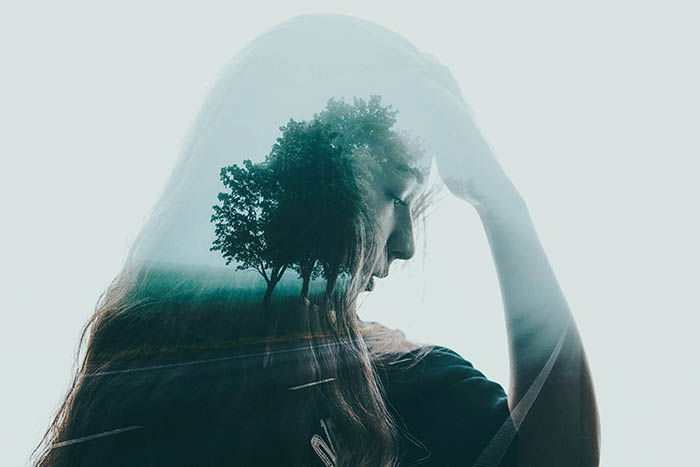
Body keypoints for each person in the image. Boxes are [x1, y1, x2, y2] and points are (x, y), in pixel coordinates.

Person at [34, 14, 599, 467]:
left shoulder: (416, 390)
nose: (404, 244)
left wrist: (501, 202)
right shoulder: (144, 378)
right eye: (396, 194)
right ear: (312, 182)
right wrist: (500, 202)